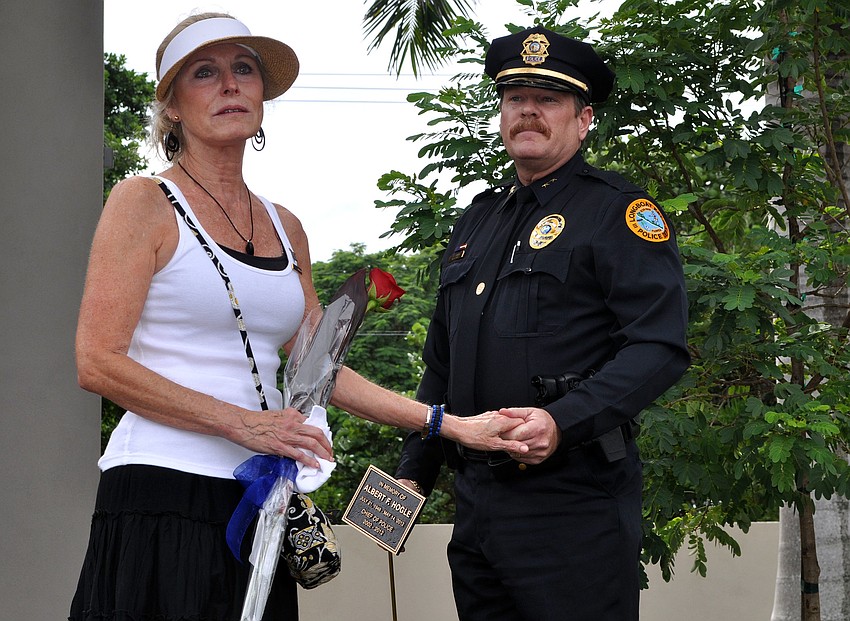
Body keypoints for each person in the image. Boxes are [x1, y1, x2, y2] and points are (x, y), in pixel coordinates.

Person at [69, 13, 529, 621]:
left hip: (265, 494)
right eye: (205, 73)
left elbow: (321, 370)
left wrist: (452, 425)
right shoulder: (142, 201)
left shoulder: (286, 227)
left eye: (244, 70)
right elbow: (97, 362)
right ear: (173, 106)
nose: (230, 85)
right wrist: (244, 425)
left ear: (262, 94)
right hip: (162, 488)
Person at [395, 26, 690, 621]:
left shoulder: (618, 212)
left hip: (571, 503)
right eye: (515, 99)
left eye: (548, 100)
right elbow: (440, 371)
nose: (528, 110)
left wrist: (560, 420)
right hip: (476, 505)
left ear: (583, 120)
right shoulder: (476, 222)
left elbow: (658, 345)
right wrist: (402, 492)